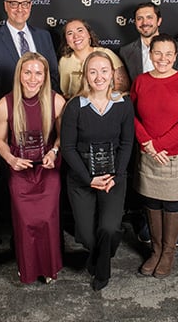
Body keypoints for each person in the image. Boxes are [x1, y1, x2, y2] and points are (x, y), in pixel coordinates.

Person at [60, 51, 135, 291]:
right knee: (86, 234)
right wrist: (89, 178)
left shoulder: (123, 104)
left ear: (112, 74)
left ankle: (102, 270)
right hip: (82, 177)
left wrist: (117, 175)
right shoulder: (75, 107)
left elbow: (126, 143)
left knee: (109, 228)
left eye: (104, 71)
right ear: (85, 76)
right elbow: (68, 148)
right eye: (93, 71)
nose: (99, 76)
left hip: (114, 175)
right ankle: (100, 250)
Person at [0, 52, 66, 284]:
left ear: (45, 76)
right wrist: (11, 160)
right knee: (26, 222)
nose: (33, 78)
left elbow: (63, 138)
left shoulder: (56, 101)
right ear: (20, 75)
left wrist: (54, 152)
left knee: (46, 218)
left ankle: (49, 268)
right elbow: (0, 141)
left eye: (38, 73)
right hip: (20, 168)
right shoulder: (4, 104)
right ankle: (27, 268)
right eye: (28, 72)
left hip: (47, 167)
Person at [131, 34, 178, 279]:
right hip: (148, 152)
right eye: (158, 53)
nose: (163, 58)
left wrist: (159, 145)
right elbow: (133, 115)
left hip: (176, 155)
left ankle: (168, 253)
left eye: (169, 54)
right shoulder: (140, 81)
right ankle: (155, 251)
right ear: (151, 54)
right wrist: (148, 145)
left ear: (176, 56)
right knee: (151, 202)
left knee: (172, 203)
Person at [0, 0, 59, 99]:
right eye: (14, 4)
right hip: (8, 109)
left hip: (43, 106)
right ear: (6, 6)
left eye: (25, 4)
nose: (20, 9)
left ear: (30, 5)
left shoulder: (44, 36)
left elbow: (53, 75)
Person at [58, 18, 129, 99]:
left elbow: (123, 85)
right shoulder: (64, 61)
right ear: (66, 40)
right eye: (70, 33)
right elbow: (66, 92)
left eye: (80, 30)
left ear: (89, 34)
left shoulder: (107, 54)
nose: (76, 36)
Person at [119, 2, 178, 85]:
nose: (144, 23)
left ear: (159, 21)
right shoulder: (125, 52)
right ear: (135, 23)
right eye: (139, 18)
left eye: (149, 17)